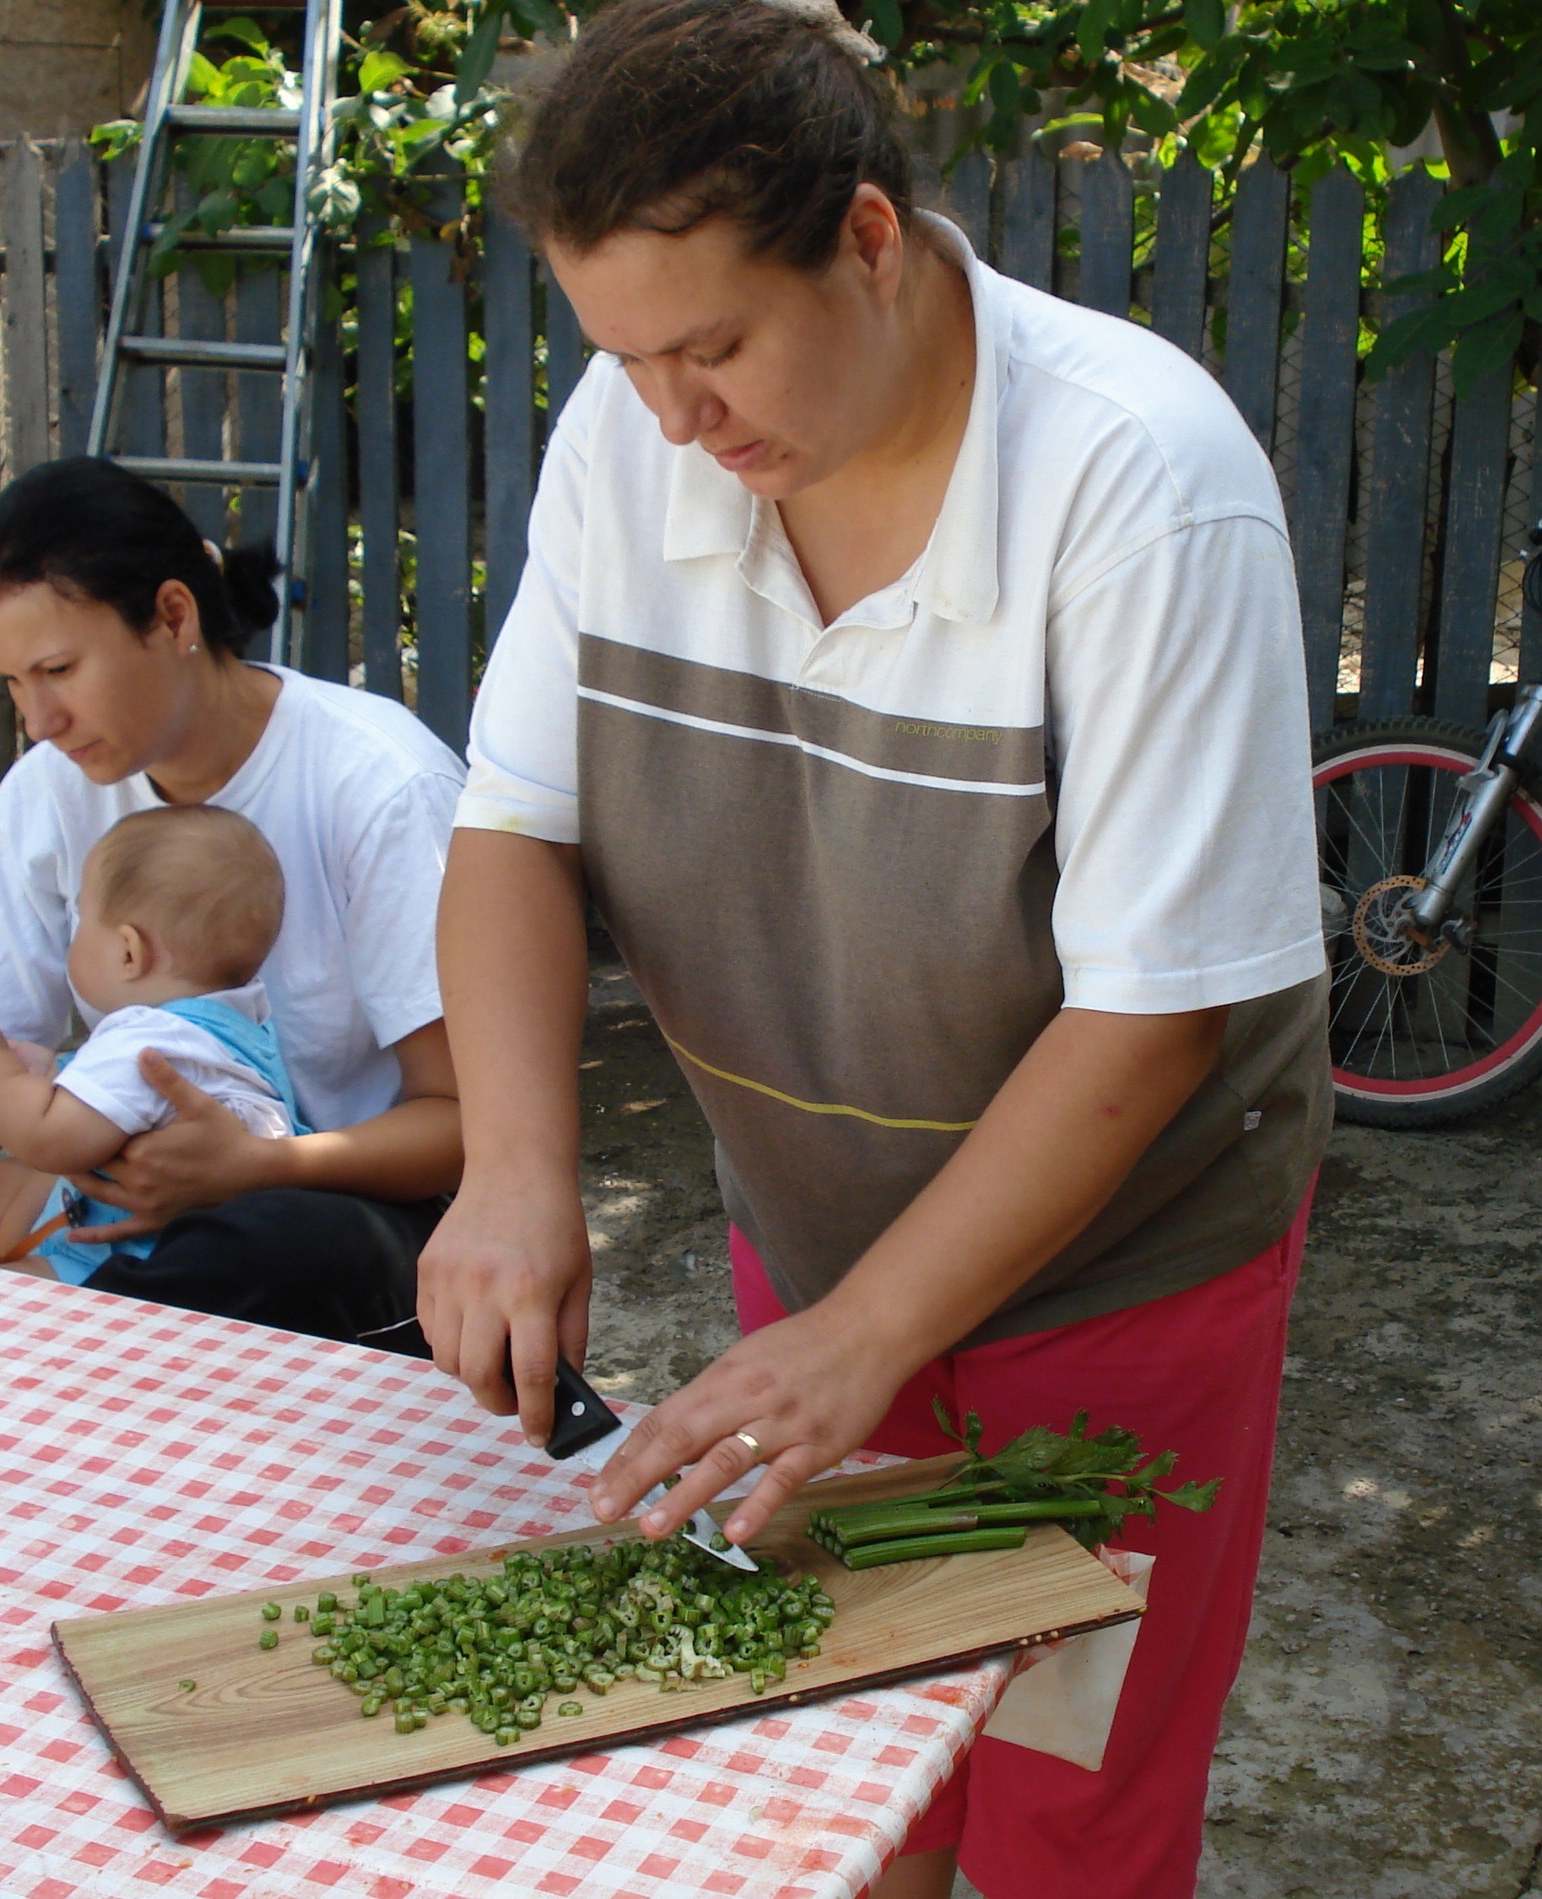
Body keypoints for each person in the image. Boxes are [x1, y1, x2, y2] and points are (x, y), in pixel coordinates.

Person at [416, 3, 1331, 1896]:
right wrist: (512, 1169)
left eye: (717, 346)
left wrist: (871, 1335)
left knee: (1067, 1795)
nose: (676, 417)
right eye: (628, 356)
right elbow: (517, 814)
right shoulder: (637, 428)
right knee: (843, 1763)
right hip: (814, 1224)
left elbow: (1157, 1012)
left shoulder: (1144, 487)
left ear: (867, 238)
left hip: (1120, 1282)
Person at [0, 456, 466, 1345]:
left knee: (251, 1240)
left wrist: (258, 1165)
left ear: (173, 616)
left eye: (59, 668)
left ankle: (43, 1362)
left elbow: (467, 1130)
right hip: (158, 1198)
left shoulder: (380, 785)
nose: (39, 719)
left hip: (355, 1212)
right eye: (14, 684)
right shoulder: (44, 797)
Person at [0, 805, 310, 1282]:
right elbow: (117, 1103)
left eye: (81, 920)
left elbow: (47, 1138)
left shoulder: (145, 1041)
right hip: (184, 1248)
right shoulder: (238, 1027)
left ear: (129, 952)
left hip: (133, 1269)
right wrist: (50, 1071)